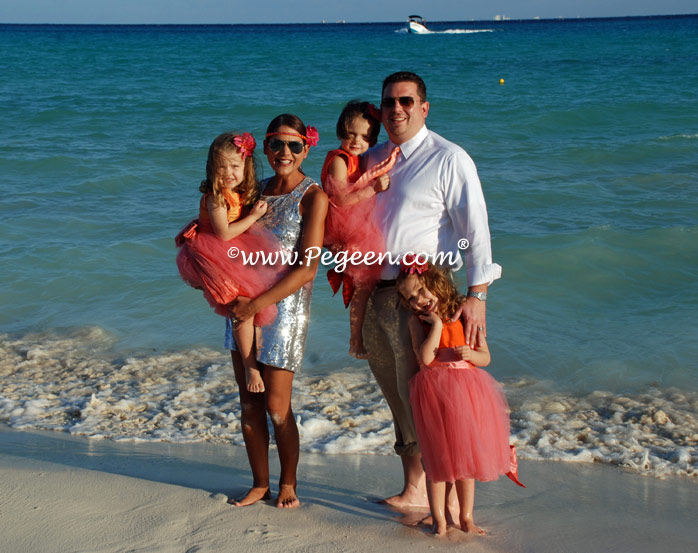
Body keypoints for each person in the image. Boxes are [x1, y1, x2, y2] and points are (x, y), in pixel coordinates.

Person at [362, 71, 502, 509]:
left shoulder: (449, 158)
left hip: (423, 300)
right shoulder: (371, 159)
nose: (396, 109)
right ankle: (414, 488)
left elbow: (475, 231)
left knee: (426, 395)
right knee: (394, 392)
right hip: (376, 292)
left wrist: (477, 297)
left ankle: (442, 492)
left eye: (406, 101)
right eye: (389, 103)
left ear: (424, 107)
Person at [224, 114, 328, 509]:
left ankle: (289, 482)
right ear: (265, 148)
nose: (285, 153)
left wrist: (256, 303)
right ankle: (259, 483)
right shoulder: (255, 190)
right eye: (276, 145)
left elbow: (308, 268)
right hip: (243, 309)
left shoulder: (313, 197)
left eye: (294, 146)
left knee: (276, 408)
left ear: (306, 147)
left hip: (284, 311)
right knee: (247, 401)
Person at [396, 261, 517, 536]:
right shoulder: (419, 323)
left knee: (465, 462)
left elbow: (485, 356)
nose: (418, 301)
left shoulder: (464, 314)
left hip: (467, 392)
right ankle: (439, 519)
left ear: (437, 283)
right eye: (411, 299)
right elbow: (425, 359)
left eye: (422, 291)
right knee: (437, 461)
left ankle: (466, 518)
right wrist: (436, 325)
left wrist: (470, 355)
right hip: (434, 395)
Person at [176, 131, 281, 394]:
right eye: (221, 167)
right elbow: (223, 233)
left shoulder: (236, 193)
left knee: (254, 306)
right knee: (242, 307)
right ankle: (249, 366)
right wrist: (254, 217)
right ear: (211, 170)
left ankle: (255, 356)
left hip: (232, 252)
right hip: (215, 253)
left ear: (246, 166)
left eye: (235, 166)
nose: (228, 173)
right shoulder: (216, 197)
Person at [321, 100, 400, 359]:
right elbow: (341, 200)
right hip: (342, 226)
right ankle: (355, 341)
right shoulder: (339, 159)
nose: (357, 141)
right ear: (341, 130)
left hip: (354, 225)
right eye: (351, 134)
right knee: (363, 286)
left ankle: (363, 337)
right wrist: (373, 189)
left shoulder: (356, 159)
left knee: (364, 284)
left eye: (366, 137)